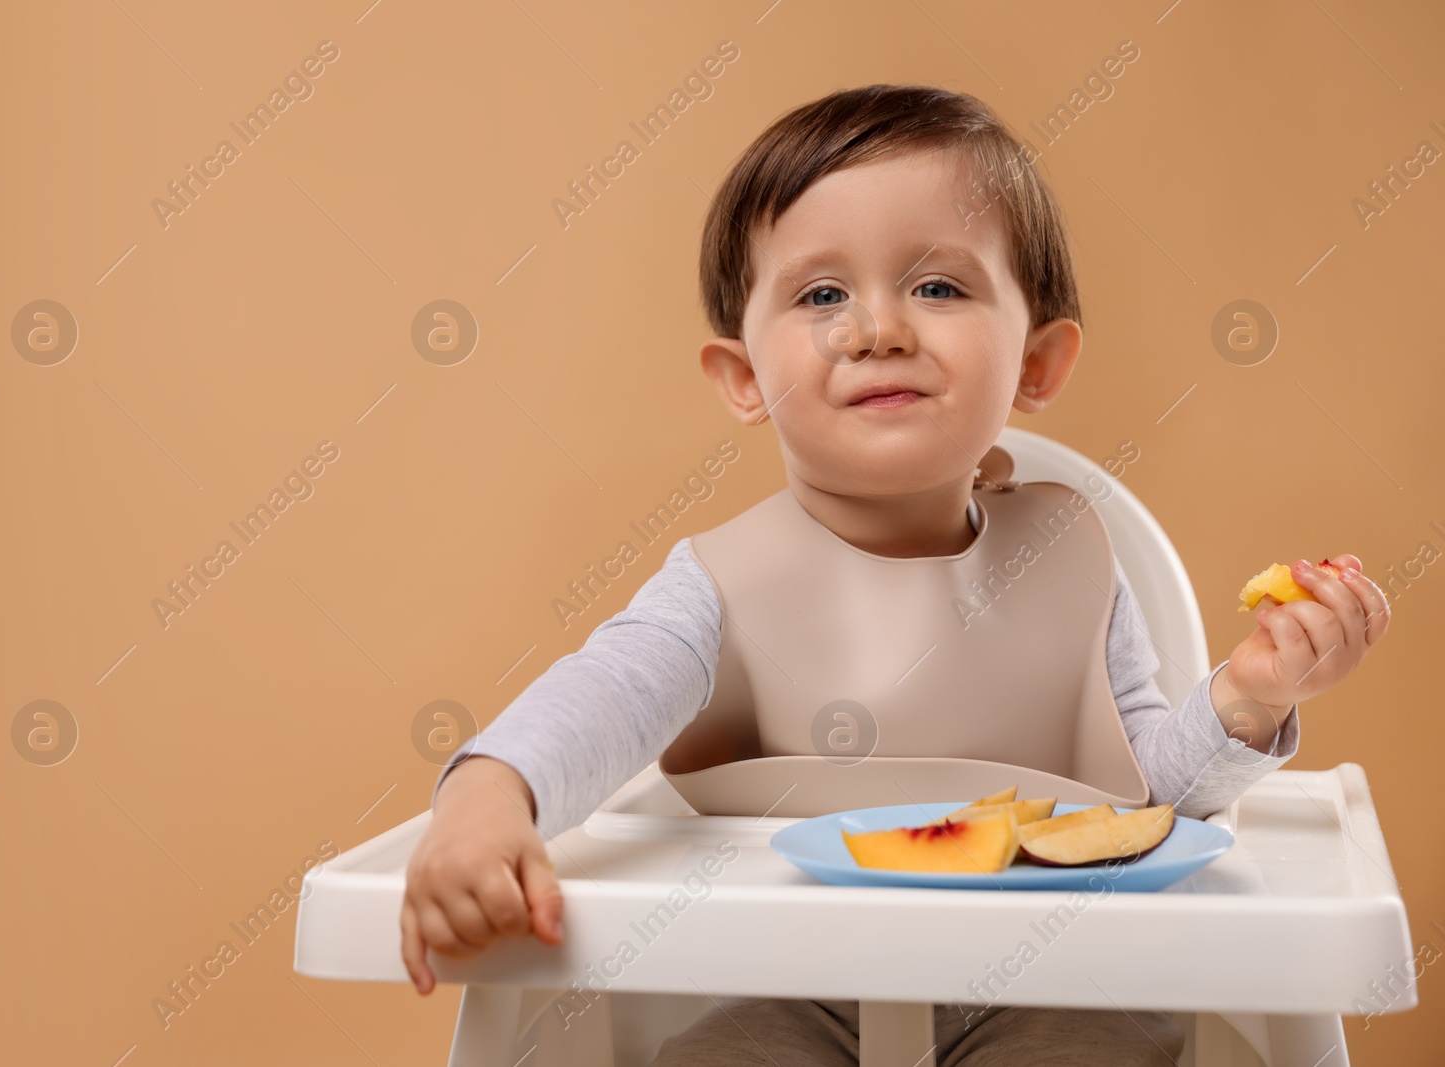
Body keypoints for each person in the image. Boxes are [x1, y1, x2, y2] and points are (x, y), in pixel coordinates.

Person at [399, 84, 1391, 1064]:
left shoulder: (1072, 561)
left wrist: (1248, 699)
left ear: (1038, 362)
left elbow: (1140, 803)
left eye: (937, 287)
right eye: (821, 293)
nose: (876, 327)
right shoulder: (722, 585)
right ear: (744, 377)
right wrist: (488, 797)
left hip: (1059, 986)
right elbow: (603, 694)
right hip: (790, 990)